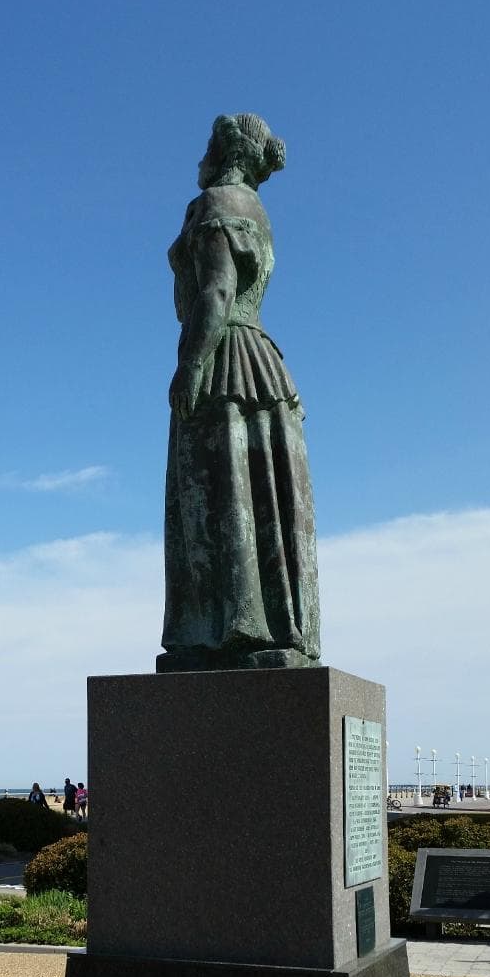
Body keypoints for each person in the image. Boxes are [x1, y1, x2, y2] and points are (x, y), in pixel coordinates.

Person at [161, 113, 321, 671]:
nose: (199, 156)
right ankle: (267, 627)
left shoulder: (215, 206)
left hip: (224, 362)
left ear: (226, 150)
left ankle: (229, 627)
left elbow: (217, 290)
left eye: (207, 143)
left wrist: (189, 364)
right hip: (261, 363)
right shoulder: (256, 210)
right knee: (260, 500)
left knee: (224, 496)